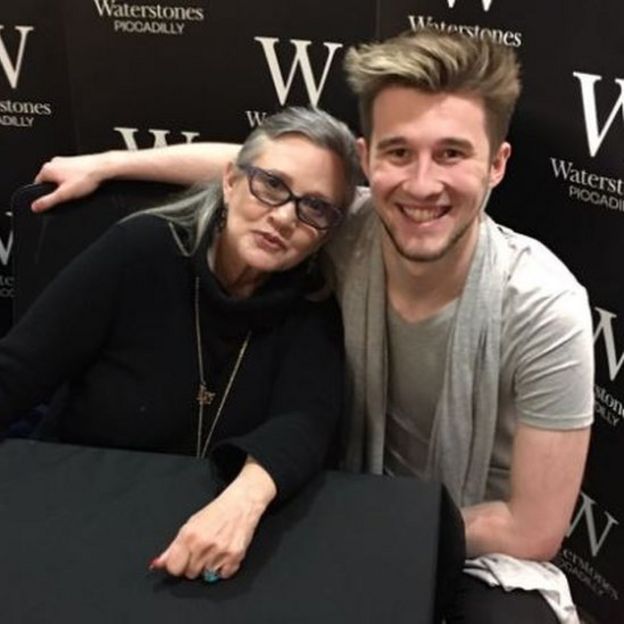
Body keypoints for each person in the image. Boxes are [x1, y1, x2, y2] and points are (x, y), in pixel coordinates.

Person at [31, 29, 593, 623]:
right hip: (326, 502)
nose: (422, 184)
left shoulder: (543, 307)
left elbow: (532, 531)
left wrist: (386, 520)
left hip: (467, 540)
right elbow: (256, 168)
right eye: (398, 152)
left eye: (452, 154)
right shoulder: (337, 223)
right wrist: (109, 162)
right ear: (366, 160)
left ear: (496, 165)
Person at [1, 106, 358, 584]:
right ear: (229, 181)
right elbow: (18, 371)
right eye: (271, 184)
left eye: (315, 207)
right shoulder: (141, 250)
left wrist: (244, 498)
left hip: (200, 543)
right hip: (75, 514)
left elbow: (307, 420)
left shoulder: (313, 303)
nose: (284, 216)